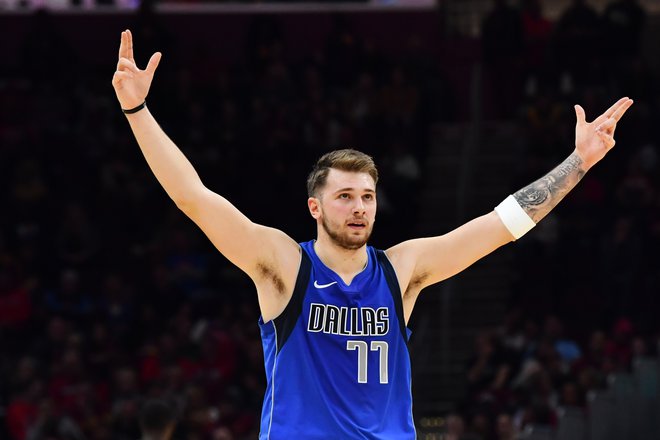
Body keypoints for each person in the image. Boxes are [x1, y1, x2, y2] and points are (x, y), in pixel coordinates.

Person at [111, 29, 633, 439]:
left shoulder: (402, 268)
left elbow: (503, 225)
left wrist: (578, 163)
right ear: (315, 207)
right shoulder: (284, 264)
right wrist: (137, 111)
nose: (359, 208)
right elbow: (193, 197)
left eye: (367, 197)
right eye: (345, 197)